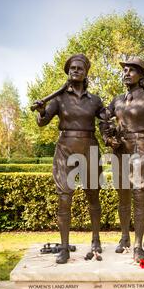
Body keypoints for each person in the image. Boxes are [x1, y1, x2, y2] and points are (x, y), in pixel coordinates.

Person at [34, 54, 106, 264]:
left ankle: (95, 240)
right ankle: (64, 248)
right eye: (72, 68)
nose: (75, 70)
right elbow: (43, 122)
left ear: (85, 73)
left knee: (93, 196)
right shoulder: (58, 99)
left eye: (79, 68)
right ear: (68, 72)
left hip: (89, 148)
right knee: (64, 199)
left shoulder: (95, 100)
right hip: (65, 149)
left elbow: (105, 123)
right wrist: (41, 111)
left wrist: (111, 132)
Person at [105, 56, 144, 262]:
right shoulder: (116, 100)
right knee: (122, 196)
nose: (126, 73)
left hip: (141, 147)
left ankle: (138, 244)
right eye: (125, 70)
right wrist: (108, 137)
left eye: (131, 70)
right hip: (120, 149)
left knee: (139, 196)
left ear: (141, 76)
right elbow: (103, 119)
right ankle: (124, 238)